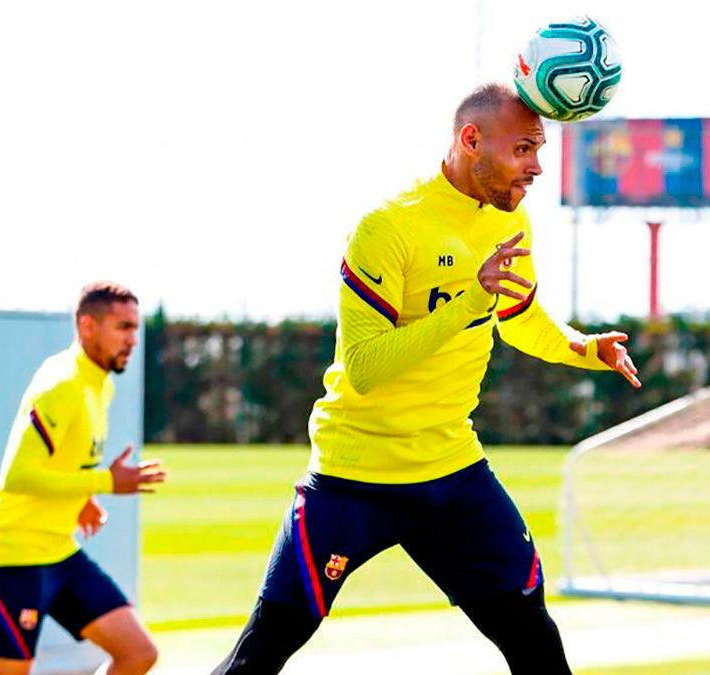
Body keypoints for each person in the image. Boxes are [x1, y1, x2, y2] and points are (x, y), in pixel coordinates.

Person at [213, 82, 641, 674]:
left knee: (535, 642)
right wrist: (470, 301)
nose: (537, 167)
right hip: (353, 476)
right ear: (471, 140)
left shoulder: (506, 225)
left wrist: (582, 347)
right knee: (261, 654)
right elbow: (364, 368)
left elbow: (518, 319)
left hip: (452, 474)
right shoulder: (387, 227)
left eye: (538, 150)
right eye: (523, 149)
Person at [0, 282, 167, 675]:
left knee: (138, 653)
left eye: (135, 328)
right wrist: (106, 484)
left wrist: (82, 498)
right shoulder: (62, 384)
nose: (133, 340)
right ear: (87, 326)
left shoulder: (99, 384)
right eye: (123, 327)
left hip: (60, 552)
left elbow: (65, 460)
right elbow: (18, 476)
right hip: (12, 556)